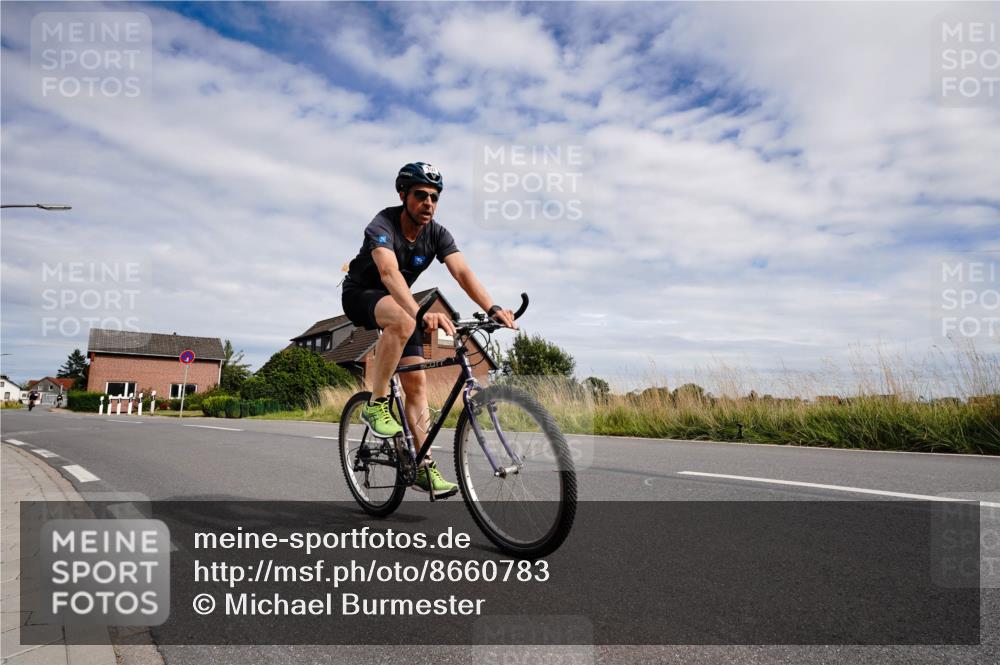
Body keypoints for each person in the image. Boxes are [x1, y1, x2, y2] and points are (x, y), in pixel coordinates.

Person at [341, 162, 517, 498]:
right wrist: (420, 313)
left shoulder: (437, 233)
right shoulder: (382, 225)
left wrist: (491, 307)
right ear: (403, 194)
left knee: (417, 386)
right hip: (362, 295)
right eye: (421, 195)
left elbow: (463, 272)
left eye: (434, 198)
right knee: (404, 319)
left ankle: (424, 468)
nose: (429, 204)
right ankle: (376, 404)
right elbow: (389, 274)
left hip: (400, 304)